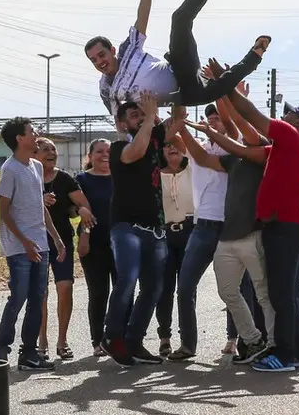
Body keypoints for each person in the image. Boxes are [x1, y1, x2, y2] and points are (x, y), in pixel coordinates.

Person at [84, 0, 271, 116]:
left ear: (113, 51)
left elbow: (142, 18)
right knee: (217, 88)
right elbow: (122, 121)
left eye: (102, 55)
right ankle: (255, 55)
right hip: (185, 95)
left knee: (179, 19)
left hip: (179, 68)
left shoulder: (128, 50)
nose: (100, 62)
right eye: (94, 60)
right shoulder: (105, 88)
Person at [218, 86, 299, 373]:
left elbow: (251, 114)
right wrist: (224, 99)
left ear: (297, 122)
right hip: (280, 228)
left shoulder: (289, 135)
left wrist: (229, 84)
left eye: (290, 113)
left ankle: (285, 356)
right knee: (283, 293)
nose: (285, 115)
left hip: (286, 228)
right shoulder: (282, 147)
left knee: (282, 295)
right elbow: (239, 147)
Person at [180, 95, 274, 365]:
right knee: (227, 291)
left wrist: (225, 92)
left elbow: (237, 128)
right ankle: (252, 340)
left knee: (260, 292)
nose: (213, 120)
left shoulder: (259, 153)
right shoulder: (232, 161)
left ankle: (272, 344)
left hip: (248, 232)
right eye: (210, 118)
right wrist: (183, 124)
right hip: (218, 233)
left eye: (218, 117)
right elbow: (200, 156)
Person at [102, 93, 181, 367]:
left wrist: (175, 89)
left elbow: (180, 116)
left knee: (154, 288)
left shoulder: (156, 137)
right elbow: (135, 152)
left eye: (142, 112)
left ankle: (134, 341)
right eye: (133, 115)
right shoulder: (116, 147)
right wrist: (149, 118)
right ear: (123, 125)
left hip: (155, 229)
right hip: (127, 227)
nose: (141, 115)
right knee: (127, 279)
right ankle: (112, 337)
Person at [0, 118, 66, 371]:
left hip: (40, 244)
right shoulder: (10, 169)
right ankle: (1, 348)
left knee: (38, 297)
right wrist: (24, 243)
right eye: (31, 132)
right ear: (19, 139)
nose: (36, 135)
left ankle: (29, 353)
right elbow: (4, 211)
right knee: (19, 296)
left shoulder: (35, 166)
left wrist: (55, 238)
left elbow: (40, 207)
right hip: (19, 248)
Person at [35, 137, 96, 360]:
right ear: (34, 154)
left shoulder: (64, 179)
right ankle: (41, 342)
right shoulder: (27, 177)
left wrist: (79, 213)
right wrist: (38, 199)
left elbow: (84, 205)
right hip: (35, 242)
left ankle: (62, 341)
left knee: (65, 287)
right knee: (40, 293)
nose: (51, 152)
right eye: (45, 149)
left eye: (53, 149)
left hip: (61, 241)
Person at [75, 139, 115, 357]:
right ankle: (98, 341)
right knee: (99, 293)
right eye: (99, 151)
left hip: (121, 243)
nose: (104, 155)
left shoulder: (121, 177)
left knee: (122, 291)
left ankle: (118, 336)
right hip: (93, 243)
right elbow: (78, 209)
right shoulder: (82, 179)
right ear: (90, 156)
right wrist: (84, 237)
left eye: (108, 151)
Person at [156, 140, 195, 358]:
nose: (172, 147)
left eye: (176, 144)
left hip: (190, 233)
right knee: (164, 289)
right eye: (166, 144)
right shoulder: (154, 174)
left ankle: (186, 340)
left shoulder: (192, 170)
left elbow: (189, 146)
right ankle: (164, 338)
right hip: (163, 235)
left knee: (187, 289)